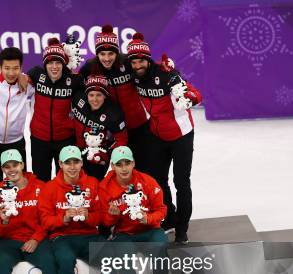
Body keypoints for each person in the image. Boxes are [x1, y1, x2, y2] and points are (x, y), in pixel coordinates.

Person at [127, 33, 203, 244]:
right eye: (134, 61)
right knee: (158, 181)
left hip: (181, 136)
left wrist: (188, 99)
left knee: (181, 182)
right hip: (157, 135)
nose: (137, 65)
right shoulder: (133, 75)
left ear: (148, 59)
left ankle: (182, 228)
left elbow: (197, 94)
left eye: (141, 60)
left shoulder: (166, 73)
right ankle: (169, 218)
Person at [98, 146, 168, 274]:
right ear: (112, 166)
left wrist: (149, 218)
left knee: (161, 248)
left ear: (133, 163)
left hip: (149, 230)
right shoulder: (105, 187)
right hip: (125, 233)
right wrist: (112, 215)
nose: (124, 168)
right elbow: (105, 223)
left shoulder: (147, 181)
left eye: (127, 163)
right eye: (119, 164)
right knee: (123, 253)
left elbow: (162, 209)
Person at [38, 145, 101, 274]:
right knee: (65, 261)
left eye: (76, 162)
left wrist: (88, 216)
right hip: (62, 236)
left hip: (89, 234)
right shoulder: (49, 188)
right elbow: (45, 221)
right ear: (60, 164)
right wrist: (63, 218)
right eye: (68, 163)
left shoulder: (92, 183)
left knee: (111, 255)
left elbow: (101, 217)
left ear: (82, 163)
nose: (72, 167)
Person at [79, 25, 150, 173]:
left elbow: (148, 68)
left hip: (138, 126)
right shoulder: (90, 68)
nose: (106, 58)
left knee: (143, 170)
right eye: (102, 54)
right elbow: (76, 86)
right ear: (97, 54)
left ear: (116, 52)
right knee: (101, 171)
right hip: (109, 128)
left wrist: (167, 70)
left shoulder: (127, 62)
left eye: (110, 53)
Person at [26, 38, 83, 182]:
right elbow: (24, 78)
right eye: (50, 63)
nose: (54, 67)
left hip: (65, 139)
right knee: (40, 180)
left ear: (64, 64)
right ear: (45, 65)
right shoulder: (37, 74)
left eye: (58, 63)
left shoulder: (74, 81)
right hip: (39, 138)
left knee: (65, 181)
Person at [0, 47, 33, 189]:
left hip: (16, 142)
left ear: (21, 68)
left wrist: (23, 76)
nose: (11, 73)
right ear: (0, 67)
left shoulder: (27, 83)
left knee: (22, 186)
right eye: (7, 68)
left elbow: (41, 76)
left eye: (16, 68)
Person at [71, 74, 128, 180]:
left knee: (94, 186)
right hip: (75, 152)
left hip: (97, 158)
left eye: (99, 95)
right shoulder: (78, 99)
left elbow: (122, 140)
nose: (95, 99)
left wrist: (106, 152)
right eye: (91, 95)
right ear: (86, 94)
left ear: (105, 96)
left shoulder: (114, 113)